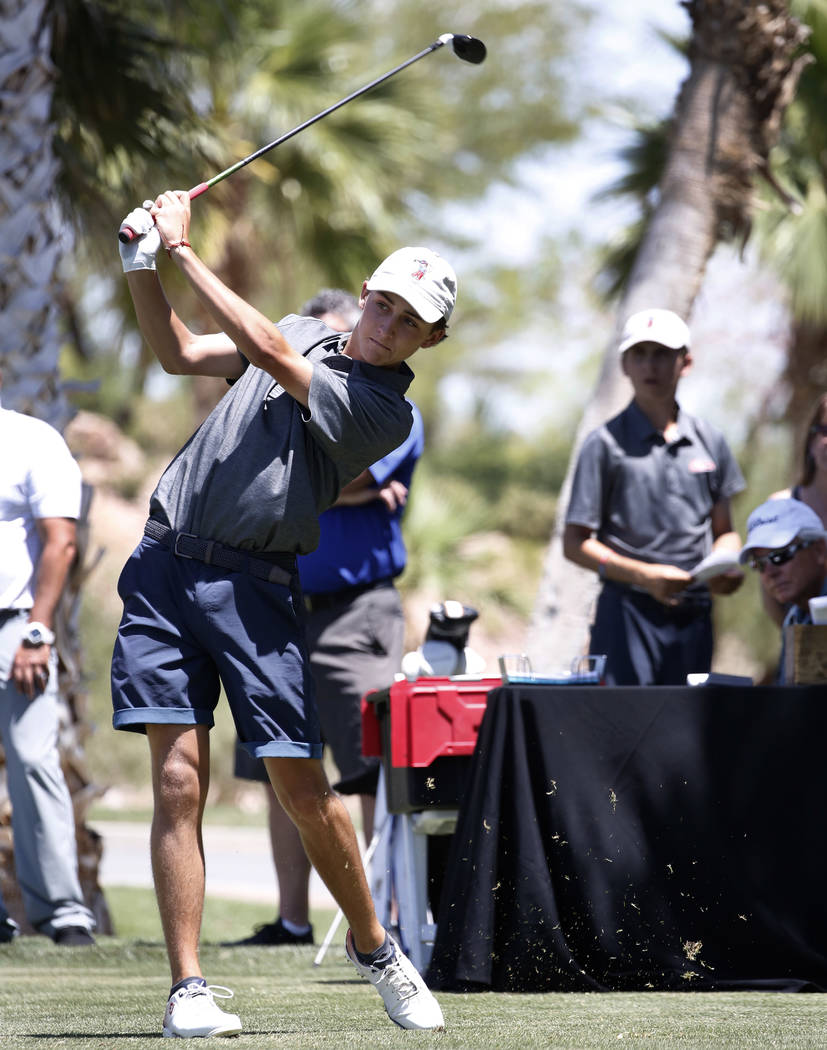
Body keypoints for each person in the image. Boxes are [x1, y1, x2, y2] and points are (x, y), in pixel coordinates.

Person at [114, 191, 450, 1037]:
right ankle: (187, 989)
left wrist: (183, 251)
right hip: (163, 566)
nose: (387, 325)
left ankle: (375, 947)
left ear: (430, 340)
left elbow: (266, 350)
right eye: (383, 304)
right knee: (177, 779)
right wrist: (140, 263)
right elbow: (177, 352)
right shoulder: (302, 329)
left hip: (256, 589)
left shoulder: (384, 411)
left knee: (301, 785)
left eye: (409, 321)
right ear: (363, 294)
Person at [230, 288, 424, 948]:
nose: (336, 349)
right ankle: (291, 921)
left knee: (371, 767)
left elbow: (345, 472)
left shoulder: (390, 406)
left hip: (355, 612)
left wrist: (301, 475)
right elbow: (303, 477)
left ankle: (386, 923)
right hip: (275, 603)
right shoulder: (285, 395)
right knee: (282, 762)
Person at [563, 308, 746, 686]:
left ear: (685, 362)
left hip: (694, 613)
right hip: (626, 613)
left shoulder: (710, 440)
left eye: (662, 354)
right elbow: (575, 543)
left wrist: (726, 565)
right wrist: (644, 576)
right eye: (639, 354)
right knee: (625, 721)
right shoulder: (603, 444)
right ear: (624, 364)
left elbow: (725, 531)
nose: (650, 365)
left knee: (688, 721)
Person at [0, 369, 96, 946]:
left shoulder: (33, 439)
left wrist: (38, 630)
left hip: (15, 627)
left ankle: (63, 912)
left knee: (33, 761)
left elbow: (60, 541)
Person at [739, 497, 827, 682]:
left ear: (819, 550)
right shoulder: (794, 618)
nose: (770, 572)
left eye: (780, 556)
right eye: (759, 563)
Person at [761, 393, 827, 625]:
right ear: (810, 441)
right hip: (800, 637)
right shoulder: (780, 507)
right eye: (825, 431)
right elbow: (771, 598)